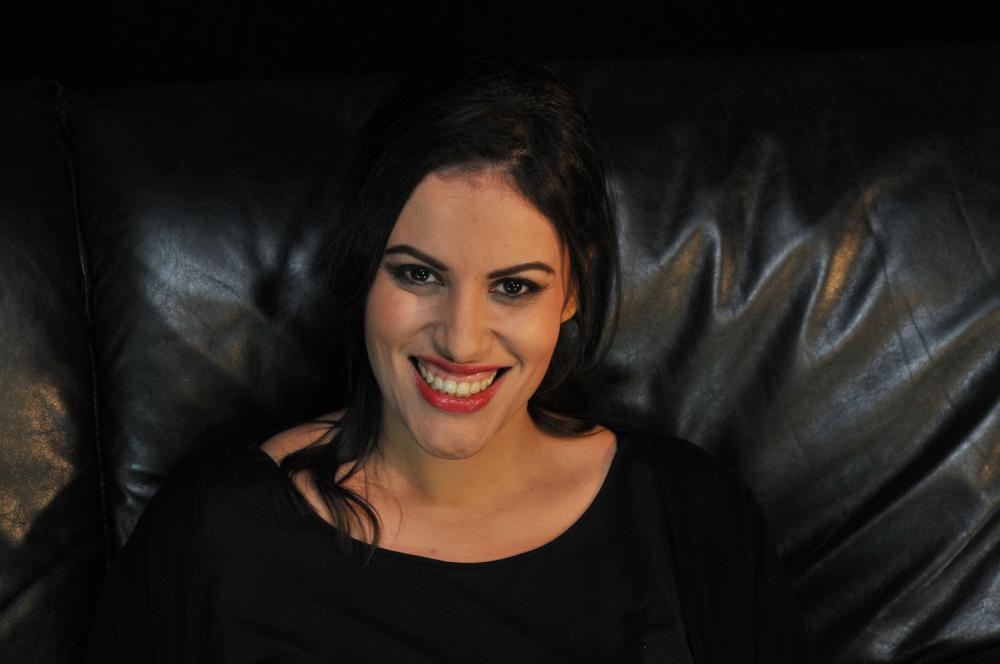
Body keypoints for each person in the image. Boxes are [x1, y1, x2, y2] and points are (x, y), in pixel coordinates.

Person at [86, 58, 813, 663]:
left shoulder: (694, 521)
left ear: (573, 290)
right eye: (418, 275)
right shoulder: (210, 538)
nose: (461, 341)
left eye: (514, 287)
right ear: (364, 269)